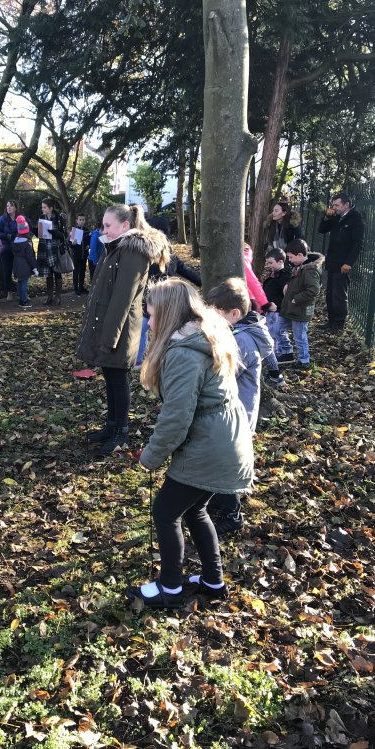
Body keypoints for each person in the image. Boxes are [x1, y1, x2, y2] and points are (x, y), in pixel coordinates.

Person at [125, 279, 254, 608]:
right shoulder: (204, 334)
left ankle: (169, 587)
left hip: (211, 445)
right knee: (195, 510)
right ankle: (213, 581)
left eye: (152, 315)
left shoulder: (184, 353)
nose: (149, 322)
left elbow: (176, 418)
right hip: (222, 439)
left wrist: (151, 457)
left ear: (168, 314)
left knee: (165, 512)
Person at [76, 203, 169, 456]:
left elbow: (122, 299)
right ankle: (111, 426)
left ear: (125, 226)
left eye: (108, 225)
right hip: (111, 327)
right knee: (110, 377)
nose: (103, 229)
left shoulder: (132, 252)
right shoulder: (116, 247)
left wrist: (109, 338)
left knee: (118, 380)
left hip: (121, 329)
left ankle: (121, 433)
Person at [206, 278, 274, 535]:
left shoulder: (242, 341)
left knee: (226, 462)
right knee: (221, 458)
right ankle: (218, 500)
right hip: (233, 411)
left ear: (234, 314)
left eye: (216, 314)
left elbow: (224, 375)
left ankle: (232, 515)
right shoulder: (237, 333)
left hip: (237, 413)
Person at [135, 249, 202, 369]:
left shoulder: (171, 258)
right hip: (149, 303)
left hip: (170, 305)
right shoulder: (145, 258)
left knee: (166, 332)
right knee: (142, 329)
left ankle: (161, 359)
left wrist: (200, 281)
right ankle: (139, 360)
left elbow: (185, 270)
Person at [318, 192, 365, 334]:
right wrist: (326, 217)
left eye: (337, 205)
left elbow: (358, 244)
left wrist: (349, 263)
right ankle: (331, 321)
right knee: (330, 293)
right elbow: (322, 230)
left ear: (347, 205)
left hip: (343, 263)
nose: (334, 207)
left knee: (339, 295)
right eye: (333, 205)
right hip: (332, 261)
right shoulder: (335, 217)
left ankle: (339, 324)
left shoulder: (356, 219)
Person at [275, 239, 324, 370]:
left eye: (291, 257)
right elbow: (296, 281)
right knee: (278, 329)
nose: (289, 260)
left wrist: (296, 299)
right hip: (290, 308)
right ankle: (286, 353)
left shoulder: (310, 270)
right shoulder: (299, 266)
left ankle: (304, 360)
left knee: (299, 336)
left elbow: (313, 290)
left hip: (300, 309)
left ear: (300, 255)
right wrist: (288, 285)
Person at [37, 198, 68, 306]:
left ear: (51, 208)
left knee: (57, 272)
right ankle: (49, 297)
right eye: (42, 207)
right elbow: (40, 234)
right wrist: (35, 231)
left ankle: (58, 297)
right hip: (45, 248)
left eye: (44, 207)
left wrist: (54, 232)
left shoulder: (59, 218)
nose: (43, 209)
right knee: (48, 274)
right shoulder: (41, 218)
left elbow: (64, 235)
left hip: (55, 249)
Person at [262, 248, 292, 359]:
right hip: (271, 308)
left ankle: (285, 352)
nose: (268, 265)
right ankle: (277, 351)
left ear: (280, 262)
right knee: (272, 330)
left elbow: (286, 290)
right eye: (267, 263)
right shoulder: (275, 274)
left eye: (270, 263)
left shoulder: (284, 275)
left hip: (278, 309)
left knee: (277, 331)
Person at [0, 200, 19, 301]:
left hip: (19, 249)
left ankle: (22, 291)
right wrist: (7, 236)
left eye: (11, 206)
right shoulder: (2, 219)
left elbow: (28, 228)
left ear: (15, 208)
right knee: (7, 271)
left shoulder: (21, 218)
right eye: (7, 206)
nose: (9, 207)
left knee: (20, 271)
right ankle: (9, 292)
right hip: (6, 248)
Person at [12, 216, 39, 309]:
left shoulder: (15, 242)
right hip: (25, 266)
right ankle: (24, 300)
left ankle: (21, 298)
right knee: (23, 283)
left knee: (20, 282)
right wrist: (35, 268)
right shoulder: (27, 244)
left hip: (16, 265)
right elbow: (30, 257)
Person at [69, 213, 90, 295]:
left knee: (82, 271)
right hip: (76, 255)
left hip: (84, 255)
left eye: (83, 219)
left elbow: (89, 242)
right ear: (77, 221)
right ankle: (76, 288)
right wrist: (72, 244)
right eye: (80, 219)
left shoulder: (87, 230)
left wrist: (88, 246)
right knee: (76, 271)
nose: (82, 221)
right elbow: (70, 244)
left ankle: (81, 287)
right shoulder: (74, 230)